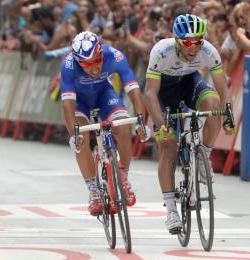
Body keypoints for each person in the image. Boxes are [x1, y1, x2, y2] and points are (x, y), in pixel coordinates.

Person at [144, 14, 234, 234]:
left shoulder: (209, 51)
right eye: (187, 42)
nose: (193, 47)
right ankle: (172, 211)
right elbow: (149, 93)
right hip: (163, 94)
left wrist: (228, 116)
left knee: (213, 102)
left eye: (197, 42)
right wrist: (160, 124)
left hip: (188, 84)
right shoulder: (160, 51)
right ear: (176, 40)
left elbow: (224, 90)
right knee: (168, 148)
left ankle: (204, 156)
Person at [62, 31, 146, 214]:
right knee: (81, 137)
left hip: (104, 95)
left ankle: (123, 178)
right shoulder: (68, 65)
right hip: (80, 102)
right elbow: (67, 104)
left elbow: (132, 88)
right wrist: (73, 134)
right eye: (87, 64)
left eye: (97, 60)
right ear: (78, 62)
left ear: (101, 53)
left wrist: (140, 119)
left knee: (124, 127)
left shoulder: (114, 55)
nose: (94, 68)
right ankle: (93, 191)